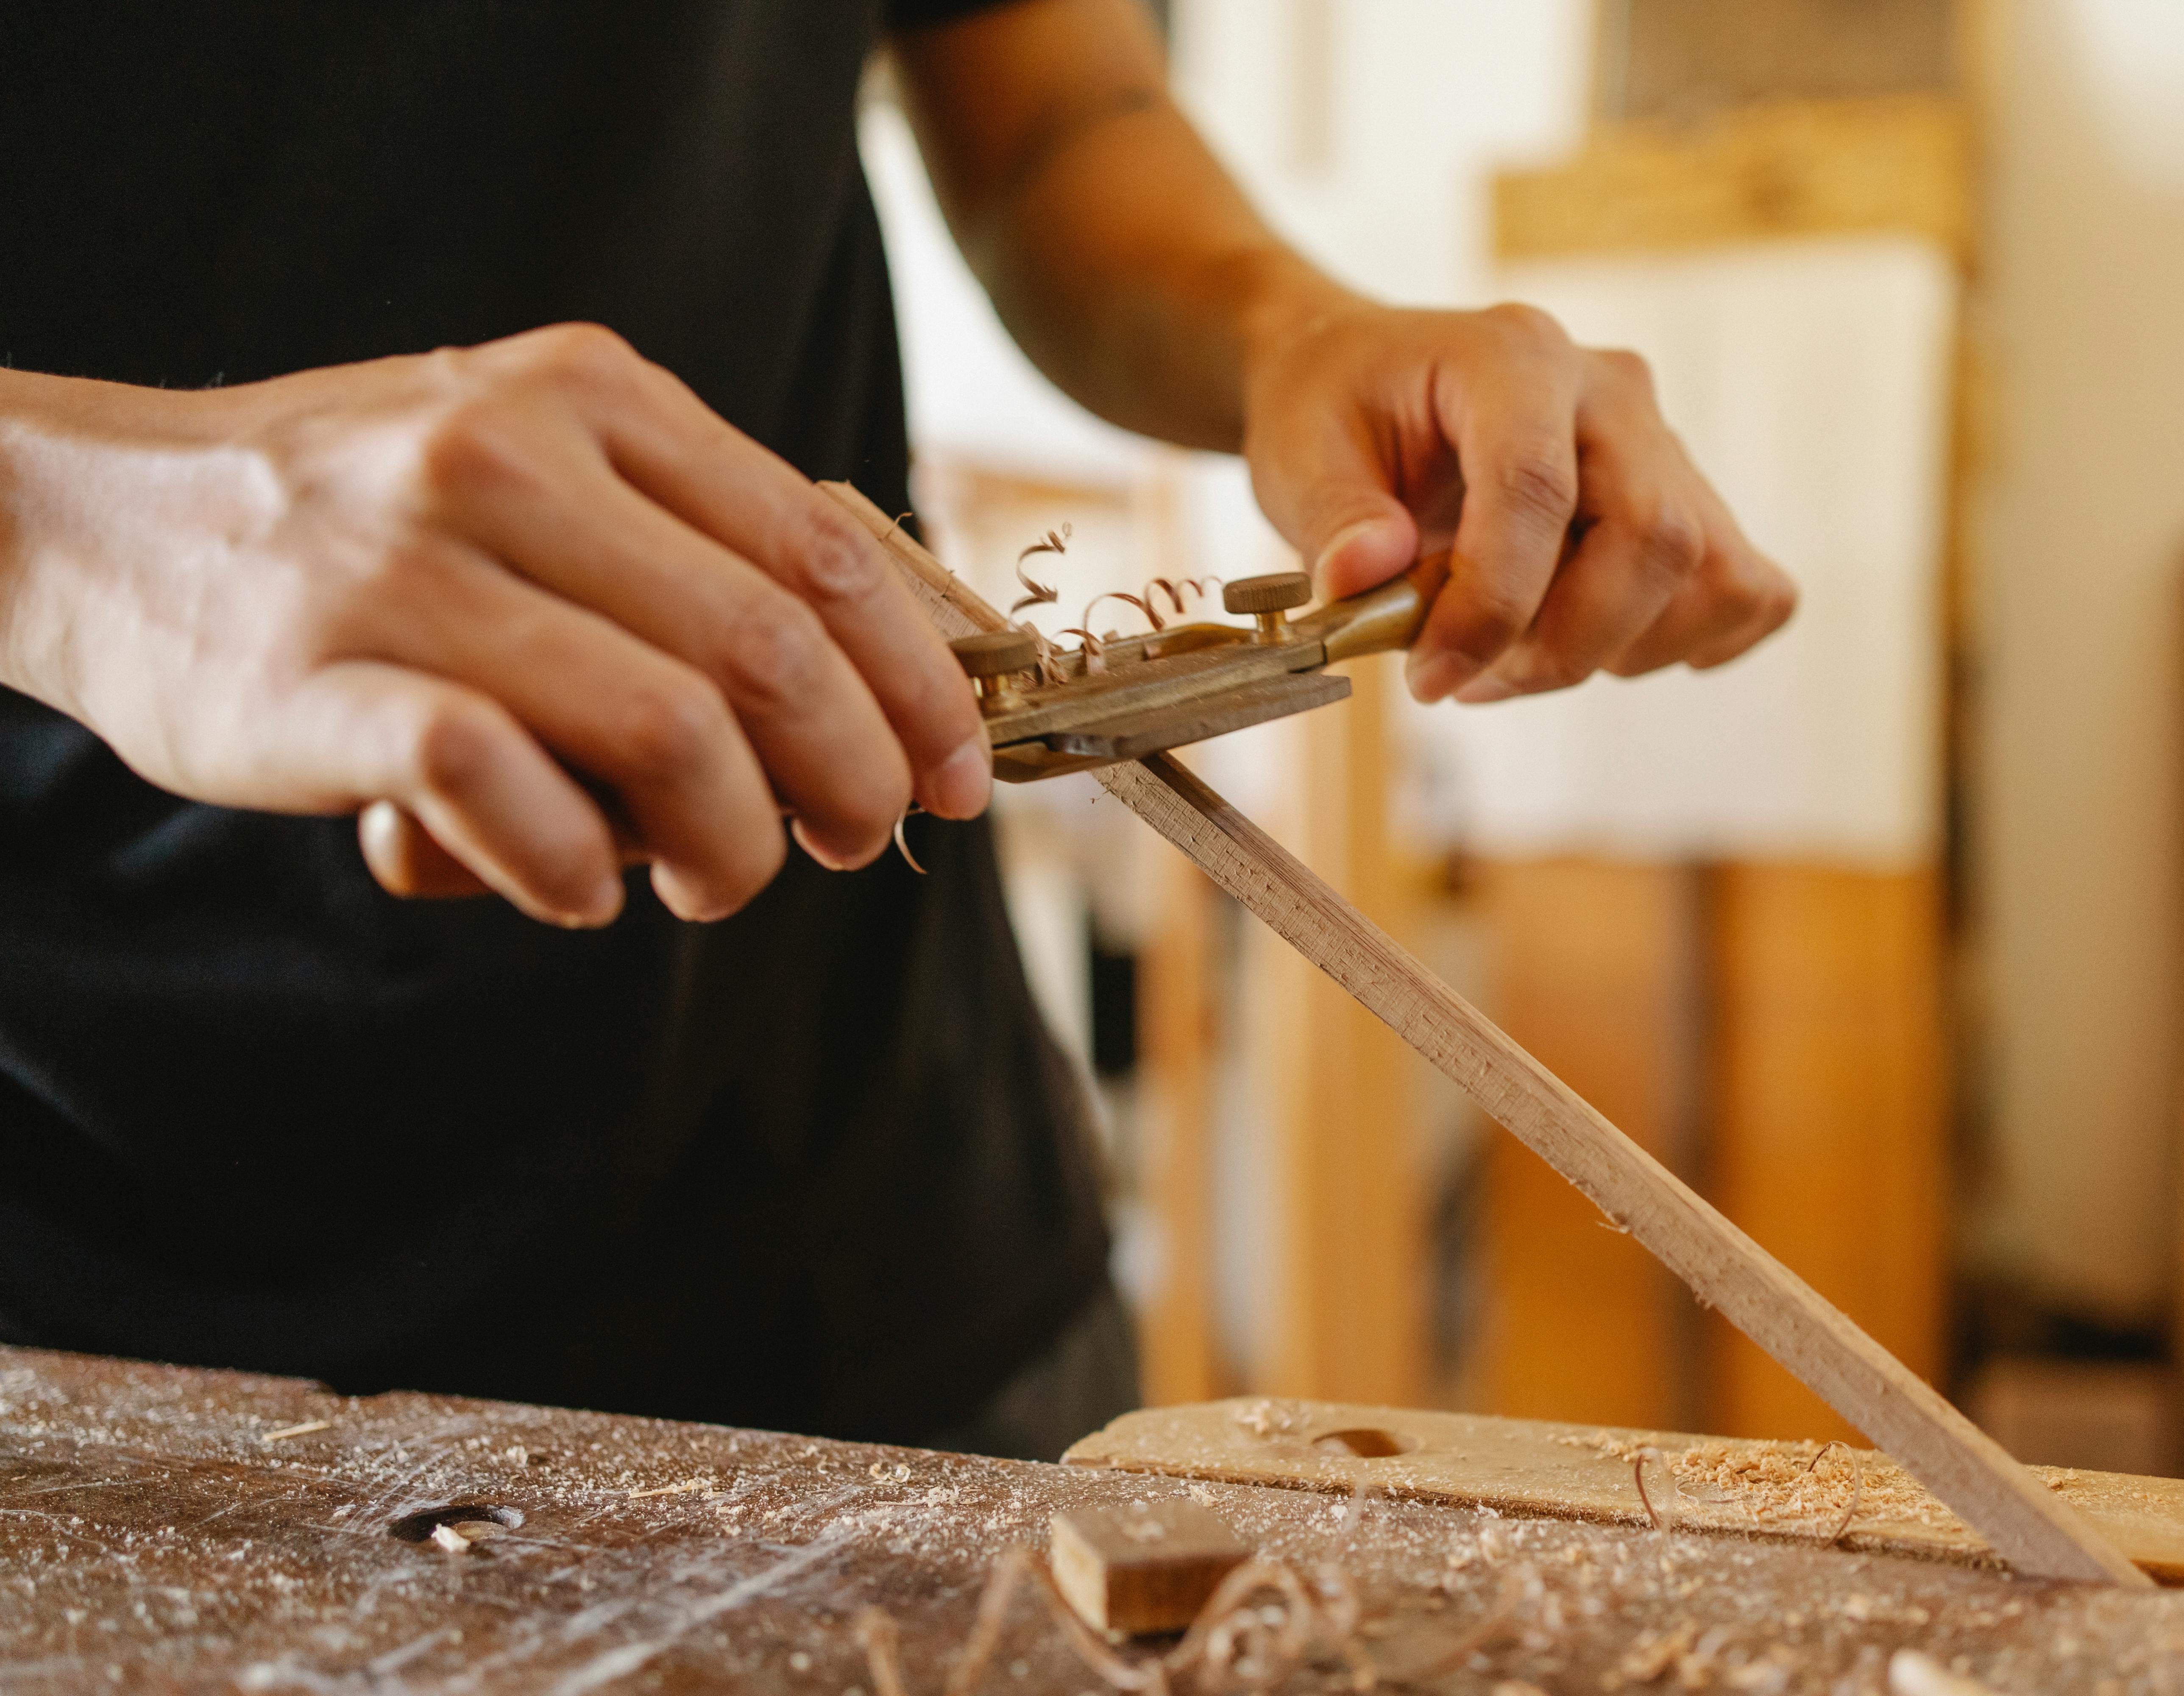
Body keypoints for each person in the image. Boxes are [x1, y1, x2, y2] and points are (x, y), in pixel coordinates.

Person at [0, 0, 1794, 1459]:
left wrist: (1292, 326)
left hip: (853, 1215)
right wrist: (66, 522)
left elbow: (1052, 116)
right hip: (77, 1288)